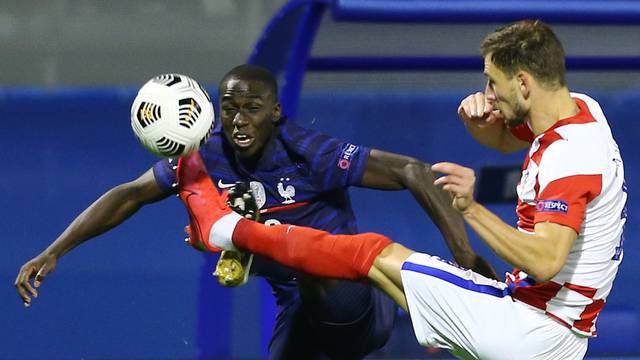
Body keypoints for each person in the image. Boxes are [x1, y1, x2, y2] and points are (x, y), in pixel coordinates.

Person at [175, 20, 627, 359]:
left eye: (494, 82)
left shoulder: (572, 158)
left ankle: (232, 231)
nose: (488, 93)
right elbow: (511, 137)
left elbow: (546, 261)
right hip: (553, 332)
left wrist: (471, 209)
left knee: (369, 251)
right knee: (377, 267)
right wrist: (481, 128)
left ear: (524, 82)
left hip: (529, 328)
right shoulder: (577, 110)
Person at [15, 64, 494, 359]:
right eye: (230, 108)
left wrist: (465, 255)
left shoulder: (308, 152)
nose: (240, 120)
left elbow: (411, 169)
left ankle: (247, 241)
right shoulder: (205, 156)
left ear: (276, 112)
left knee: (312, 264)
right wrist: (54, 251)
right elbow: (130, 194)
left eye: (252, 108)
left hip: (355, 302)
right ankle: (247, 241)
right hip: (297, 310)